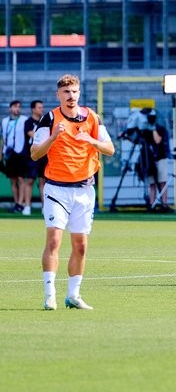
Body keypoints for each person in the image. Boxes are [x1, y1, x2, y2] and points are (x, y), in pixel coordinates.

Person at [30, 74, 115, 310]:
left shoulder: (92, 118)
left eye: (74, 92)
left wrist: (91, 140)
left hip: (84, 190)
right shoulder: (50, 119)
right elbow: (35, 153)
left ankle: (74, 295)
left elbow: (110, 149)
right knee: (54, 240)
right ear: (58, 95)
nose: (71, 96)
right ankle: (50, 294)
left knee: (81, 246)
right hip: (57, 189)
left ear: (79, 93)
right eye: (66, 92)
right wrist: (54, 137)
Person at [1, 100, 29, 214]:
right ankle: (16, 203)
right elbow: (3, 138)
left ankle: (21, 203)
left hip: (20, 153)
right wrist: (1, 154)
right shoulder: (4, 121)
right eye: (15, 107)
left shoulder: (24, 120)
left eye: (19, 107)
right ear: (10, 108)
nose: (18, 109)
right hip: (9, 153)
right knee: (13, 180)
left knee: (21, 179)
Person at [141, 109, 171, 212]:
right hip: (150, 160)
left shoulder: (160, 129)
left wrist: (153, 128)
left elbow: (158, 141)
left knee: (162, 181)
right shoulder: (144, 130)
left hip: (160, 158)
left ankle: (164, 204)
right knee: (152, 183)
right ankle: (152, 204)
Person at [25, 100, 47, 206]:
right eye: (39, 107)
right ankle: (27, 206)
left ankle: (44, 207)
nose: (41, 109)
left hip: (43, 156)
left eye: (42, 107)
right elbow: (33, 135)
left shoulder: (44, 122)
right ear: (33, 109)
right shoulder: (28, 122)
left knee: (43, 182)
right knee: (30, 181)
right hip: (32, 156)